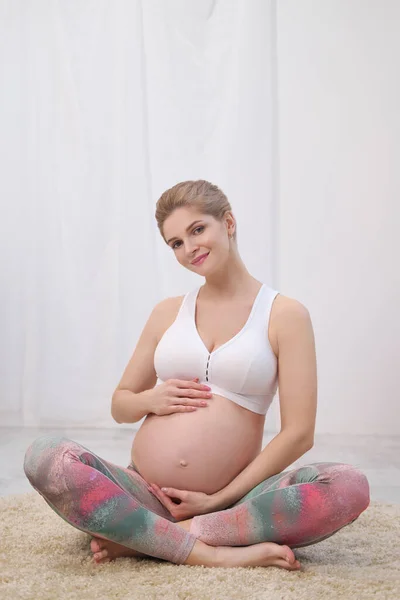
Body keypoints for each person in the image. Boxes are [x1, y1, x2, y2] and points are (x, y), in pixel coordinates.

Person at [23, 180, 370, 570]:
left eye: (197, 230)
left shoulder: (284, 315)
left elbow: (299, 434)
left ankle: (152, 537)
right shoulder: (167, 312)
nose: (189, 248)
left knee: (349, 486)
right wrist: (149, 400)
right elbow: (121, 405)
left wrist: (219, 499)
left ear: (229, 222)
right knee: (45, 456)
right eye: (175, 243)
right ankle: (208, 550)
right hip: (146, 491)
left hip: (236, 500)